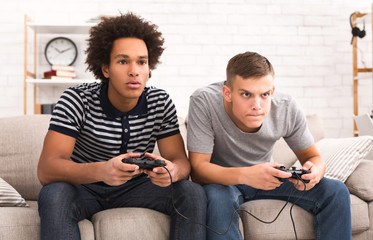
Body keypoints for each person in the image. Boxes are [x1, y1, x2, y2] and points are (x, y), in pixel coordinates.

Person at [37, 13, 206, 240]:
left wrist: (173, 172)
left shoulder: (159, 101)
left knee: (191, 192)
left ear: (149, 68)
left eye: (141, 62)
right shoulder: (76, 99)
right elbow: (47, 169)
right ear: (105, 69)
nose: (134, 70)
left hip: (136, 188)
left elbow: (180, 161)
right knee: (53, 193)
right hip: (84, 188)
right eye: (123, 61)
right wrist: (102, 170)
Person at [187, 51, 351, 240]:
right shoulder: (204, 101)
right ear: (228, 93)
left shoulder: (286, 107)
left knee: (336, 191)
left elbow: (314, 158)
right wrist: (247, 175)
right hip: (224, 182)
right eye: (246, 94)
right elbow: (198, 170)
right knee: (216, 198)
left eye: (264, 94)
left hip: (269, 180)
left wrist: (314, 172)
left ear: (272, 91)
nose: (257, 105)